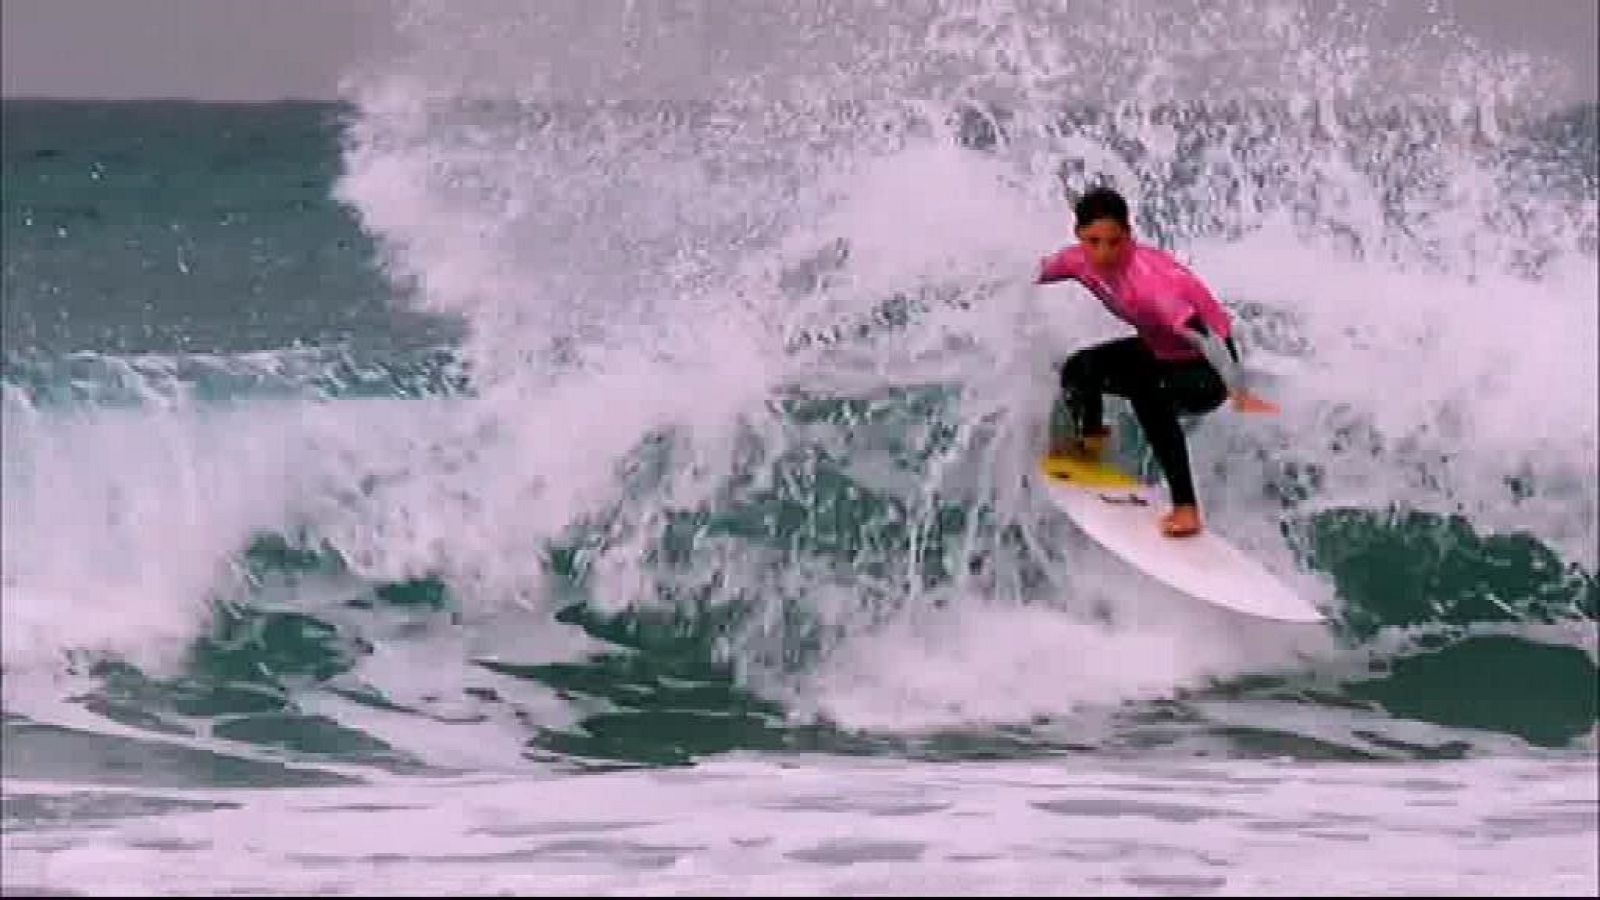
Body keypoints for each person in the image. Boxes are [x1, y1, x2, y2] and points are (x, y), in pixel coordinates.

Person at [1036, 186, 1278, 538]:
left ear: (1128, 235)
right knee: (1079, 369)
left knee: (1149, 396)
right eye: (1093, 241)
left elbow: (1207, 338)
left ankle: (1186, 509)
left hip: (1206, 369)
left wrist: (1238, 390)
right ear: (1079, 236)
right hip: (1161, 353)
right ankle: (1090, 443)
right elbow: (1033, 272)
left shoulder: (1151, 286)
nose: (1103, 253)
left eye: (1114, 242)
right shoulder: (1075, 260)